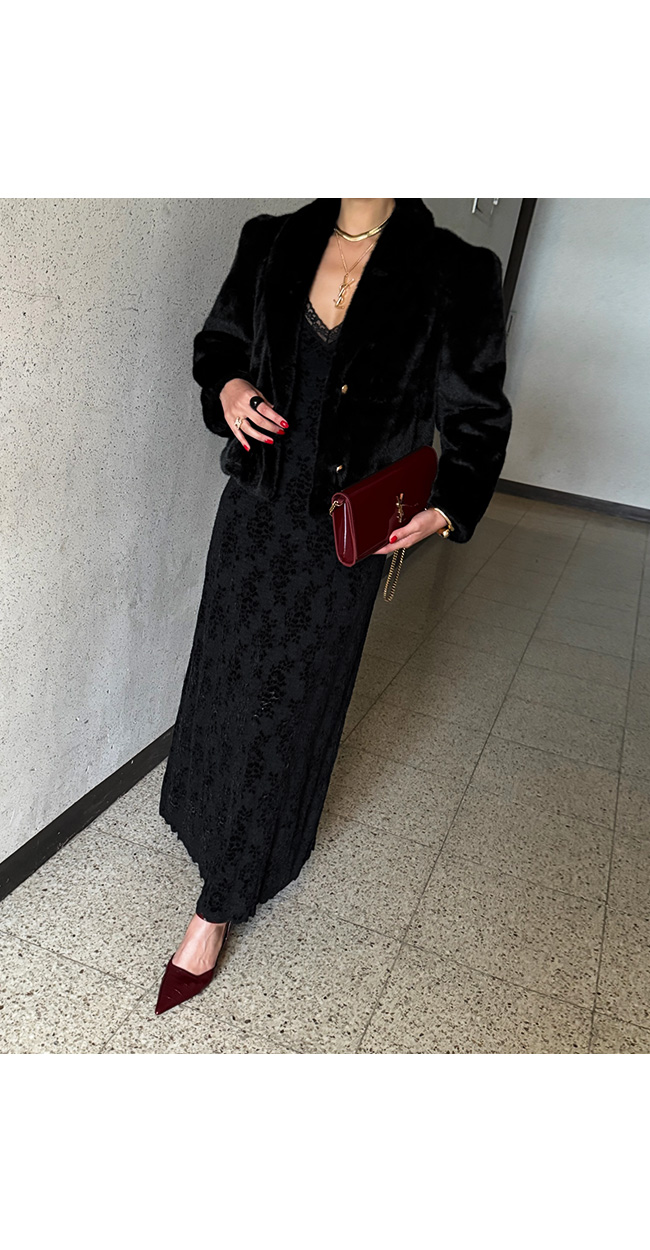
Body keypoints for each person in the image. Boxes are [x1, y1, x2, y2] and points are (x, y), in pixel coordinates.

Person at [155, 197, 512, 1015]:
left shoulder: (456, 271)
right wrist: (230, 386)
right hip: (252, 517)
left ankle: (217, 905)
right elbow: (219, 347)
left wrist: (447, 507)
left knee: (287, 705)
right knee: (227, 680)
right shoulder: (270, 240)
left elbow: (478, 416)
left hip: (341, 541)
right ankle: (212, 824)